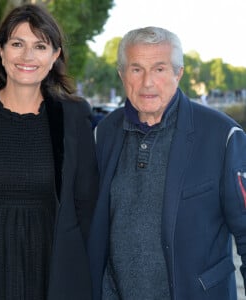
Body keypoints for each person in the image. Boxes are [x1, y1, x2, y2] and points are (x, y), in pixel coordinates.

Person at [0, 4, 98, 300]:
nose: (28, 56)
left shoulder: (74, 118)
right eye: (17, 44)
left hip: (51, 276)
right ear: (1, 51)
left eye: (40, 46)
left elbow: (87, 210)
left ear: (54, 56)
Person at [88, 26, 246, 300]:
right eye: (136, 69)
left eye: (159, 69)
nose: (148, 82)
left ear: (178, 73)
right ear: (122, 75)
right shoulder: (103, 134)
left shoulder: (222, 136)